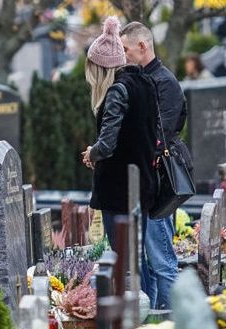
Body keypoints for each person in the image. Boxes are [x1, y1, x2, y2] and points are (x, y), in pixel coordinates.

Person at [120, 21, 186, 310]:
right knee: (149, 263)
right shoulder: (142, 80)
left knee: (162, 261)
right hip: (145, 180)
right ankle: (155, 319)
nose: (123, 55)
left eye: (126, 49)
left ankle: (170, 324)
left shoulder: (164, 82)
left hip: (157, 182)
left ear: (142, 46)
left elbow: (162, 134)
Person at [81, 16, 159, 264]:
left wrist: (92, 153)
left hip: (118, 191)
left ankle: (134, 294)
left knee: (124, 263)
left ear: (101, 68)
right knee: (136, 260)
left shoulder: (116, 91)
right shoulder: (145, 82)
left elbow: (107, 144)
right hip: (142, 184)